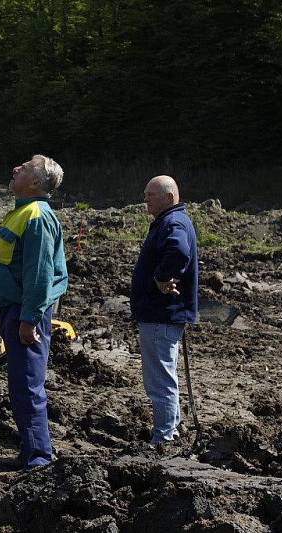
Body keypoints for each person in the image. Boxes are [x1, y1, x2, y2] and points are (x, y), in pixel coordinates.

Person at [0, 154, 68, 470]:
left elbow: (39, 274)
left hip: (25, 312)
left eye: (25, 167)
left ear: (35, 182)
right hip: (15, 309)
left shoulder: (37, 216)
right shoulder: (22, 213)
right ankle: (30, 451)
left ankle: (38, 460)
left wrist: (28, 319)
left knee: (27, 385)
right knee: (20, 385)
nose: (16, 167)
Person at [130, 175, 198, 449]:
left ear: (169, 197)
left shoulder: (173, 222)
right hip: (162, 313)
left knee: (159, 379)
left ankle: (164, 437)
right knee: (163, 374)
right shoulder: (171, 221)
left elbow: (179, 252)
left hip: (161, 313)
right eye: (145, 194)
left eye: (151, 195)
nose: (145, 199)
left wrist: (161, 278)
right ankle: (172, 430)